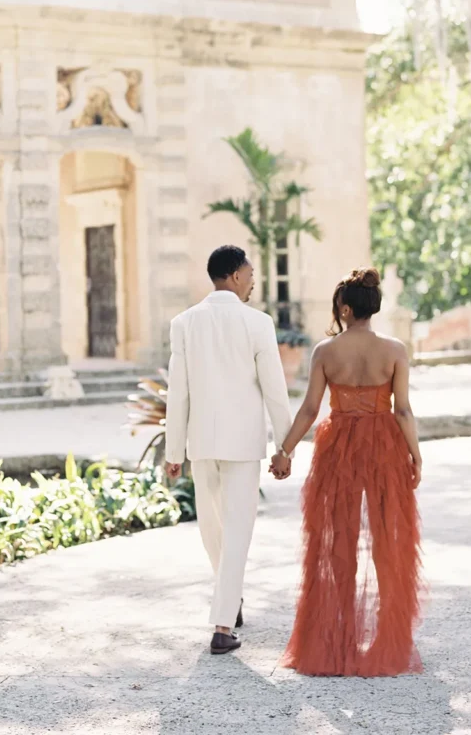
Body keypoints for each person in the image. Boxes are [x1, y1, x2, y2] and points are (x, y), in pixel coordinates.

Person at [271, 267, 423, 677]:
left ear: (344, 307)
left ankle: (339, 637)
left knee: (338, 540)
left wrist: (284, 451)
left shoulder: (325, 351)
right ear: (373, 308)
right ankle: (389, 640)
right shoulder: (394, 350)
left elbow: (309, 409)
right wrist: (416, 455)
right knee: (388, 539)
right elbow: (403, 409)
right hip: (385, 446)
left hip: (337, 446)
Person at [165, 245, 293, 656]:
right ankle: (223, 625)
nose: (254, 280)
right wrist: (284, 446)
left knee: (214, 531)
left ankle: (228, 600)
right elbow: (275, 390)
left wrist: (174, 451)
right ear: (235, 275)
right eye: (251, 273)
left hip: (201, 443)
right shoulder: (258, 323)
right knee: (235, 532)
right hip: (242, 444)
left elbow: (177, 395)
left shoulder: (184, 323)